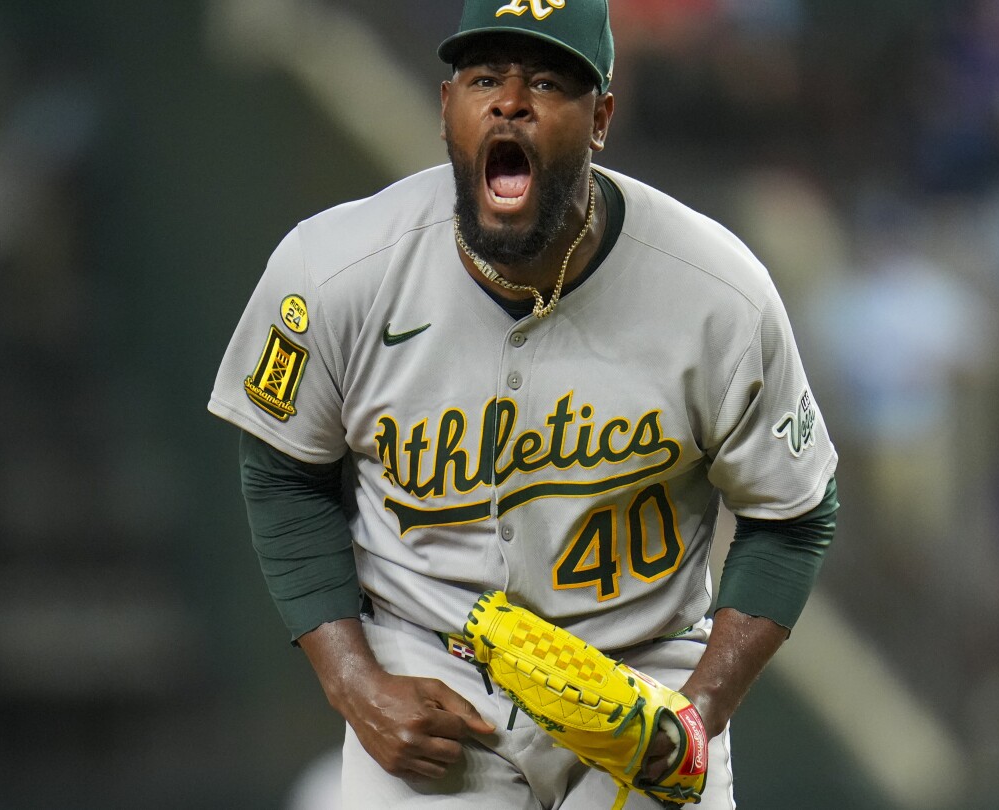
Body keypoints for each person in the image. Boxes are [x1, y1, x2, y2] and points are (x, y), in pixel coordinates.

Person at [207, 1, 839, 806]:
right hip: (433, 672)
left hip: (640, 676)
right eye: (484, 79)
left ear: (602, 116)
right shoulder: (335, 270)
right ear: (448, 109)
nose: (510, 102)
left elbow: (796, 512)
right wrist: (353, 681)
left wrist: (700, 712)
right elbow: (282, 474)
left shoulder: (716, 293)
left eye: (546, 81)